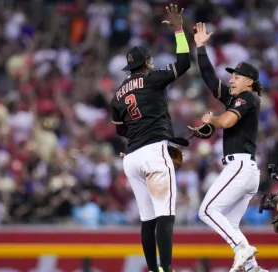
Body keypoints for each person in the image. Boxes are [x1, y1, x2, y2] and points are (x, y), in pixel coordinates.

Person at [110, 4, 190, 272]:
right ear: (146, 63)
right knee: (165, 214)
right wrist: (179, 29)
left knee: (148, 219)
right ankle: (166, 269)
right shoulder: (152, 78)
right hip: (155, 151)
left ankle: (153, 269)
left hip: (131, 157)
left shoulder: (118, 94)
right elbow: (184, 63)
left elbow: (120, 129)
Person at [192, 22, 268, 272]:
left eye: (236, 76)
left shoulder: (249, 96)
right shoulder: (238, 97)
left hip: (240, 165)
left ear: (250, 81)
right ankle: (253, 268)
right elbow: (209, 78)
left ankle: (242, 249)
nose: (231, 79)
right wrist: (201, 48)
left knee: (206, 210)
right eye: (232, 75)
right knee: (231, 224)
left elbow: (227, 120)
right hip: (245, 169)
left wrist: (211, 120)